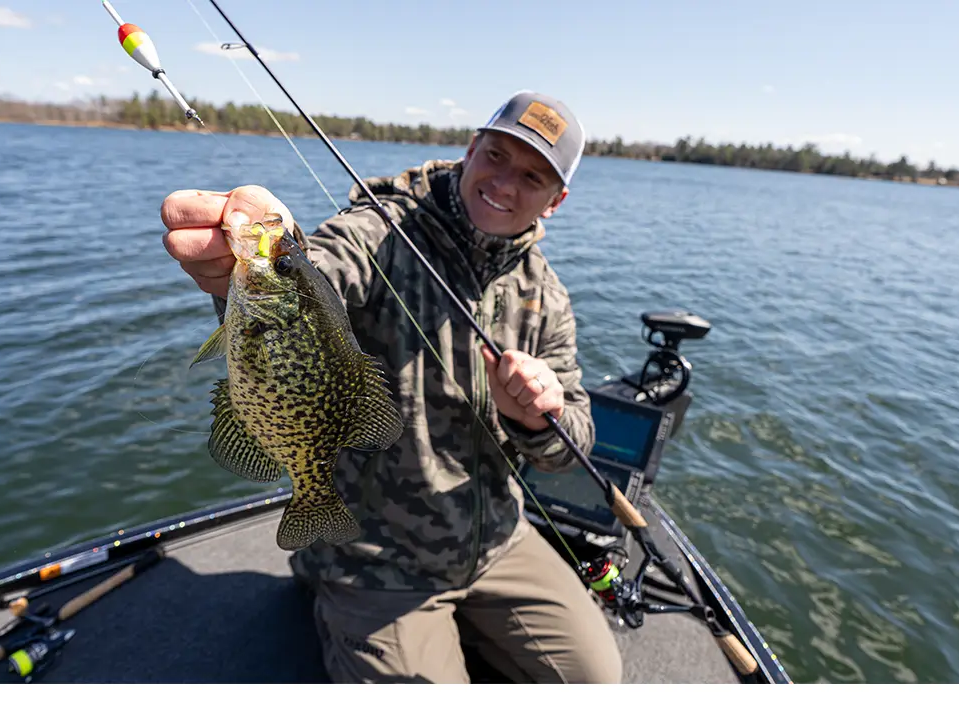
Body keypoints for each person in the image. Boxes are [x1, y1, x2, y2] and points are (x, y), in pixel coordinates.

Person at [160, 90, 622, 683]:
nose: (505, 182)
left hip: (498, 540)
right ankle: (326, 567)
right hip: (378, 559)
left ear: (555, 201)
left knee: (599, 683)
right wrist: (256, 265)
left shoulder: (547, 296)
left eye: (532, 176)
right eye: (498, 156)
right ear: (472, 147)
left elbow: (572, 443)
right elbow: (323, 270)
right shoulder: (380, 229)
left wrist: (537, 414)